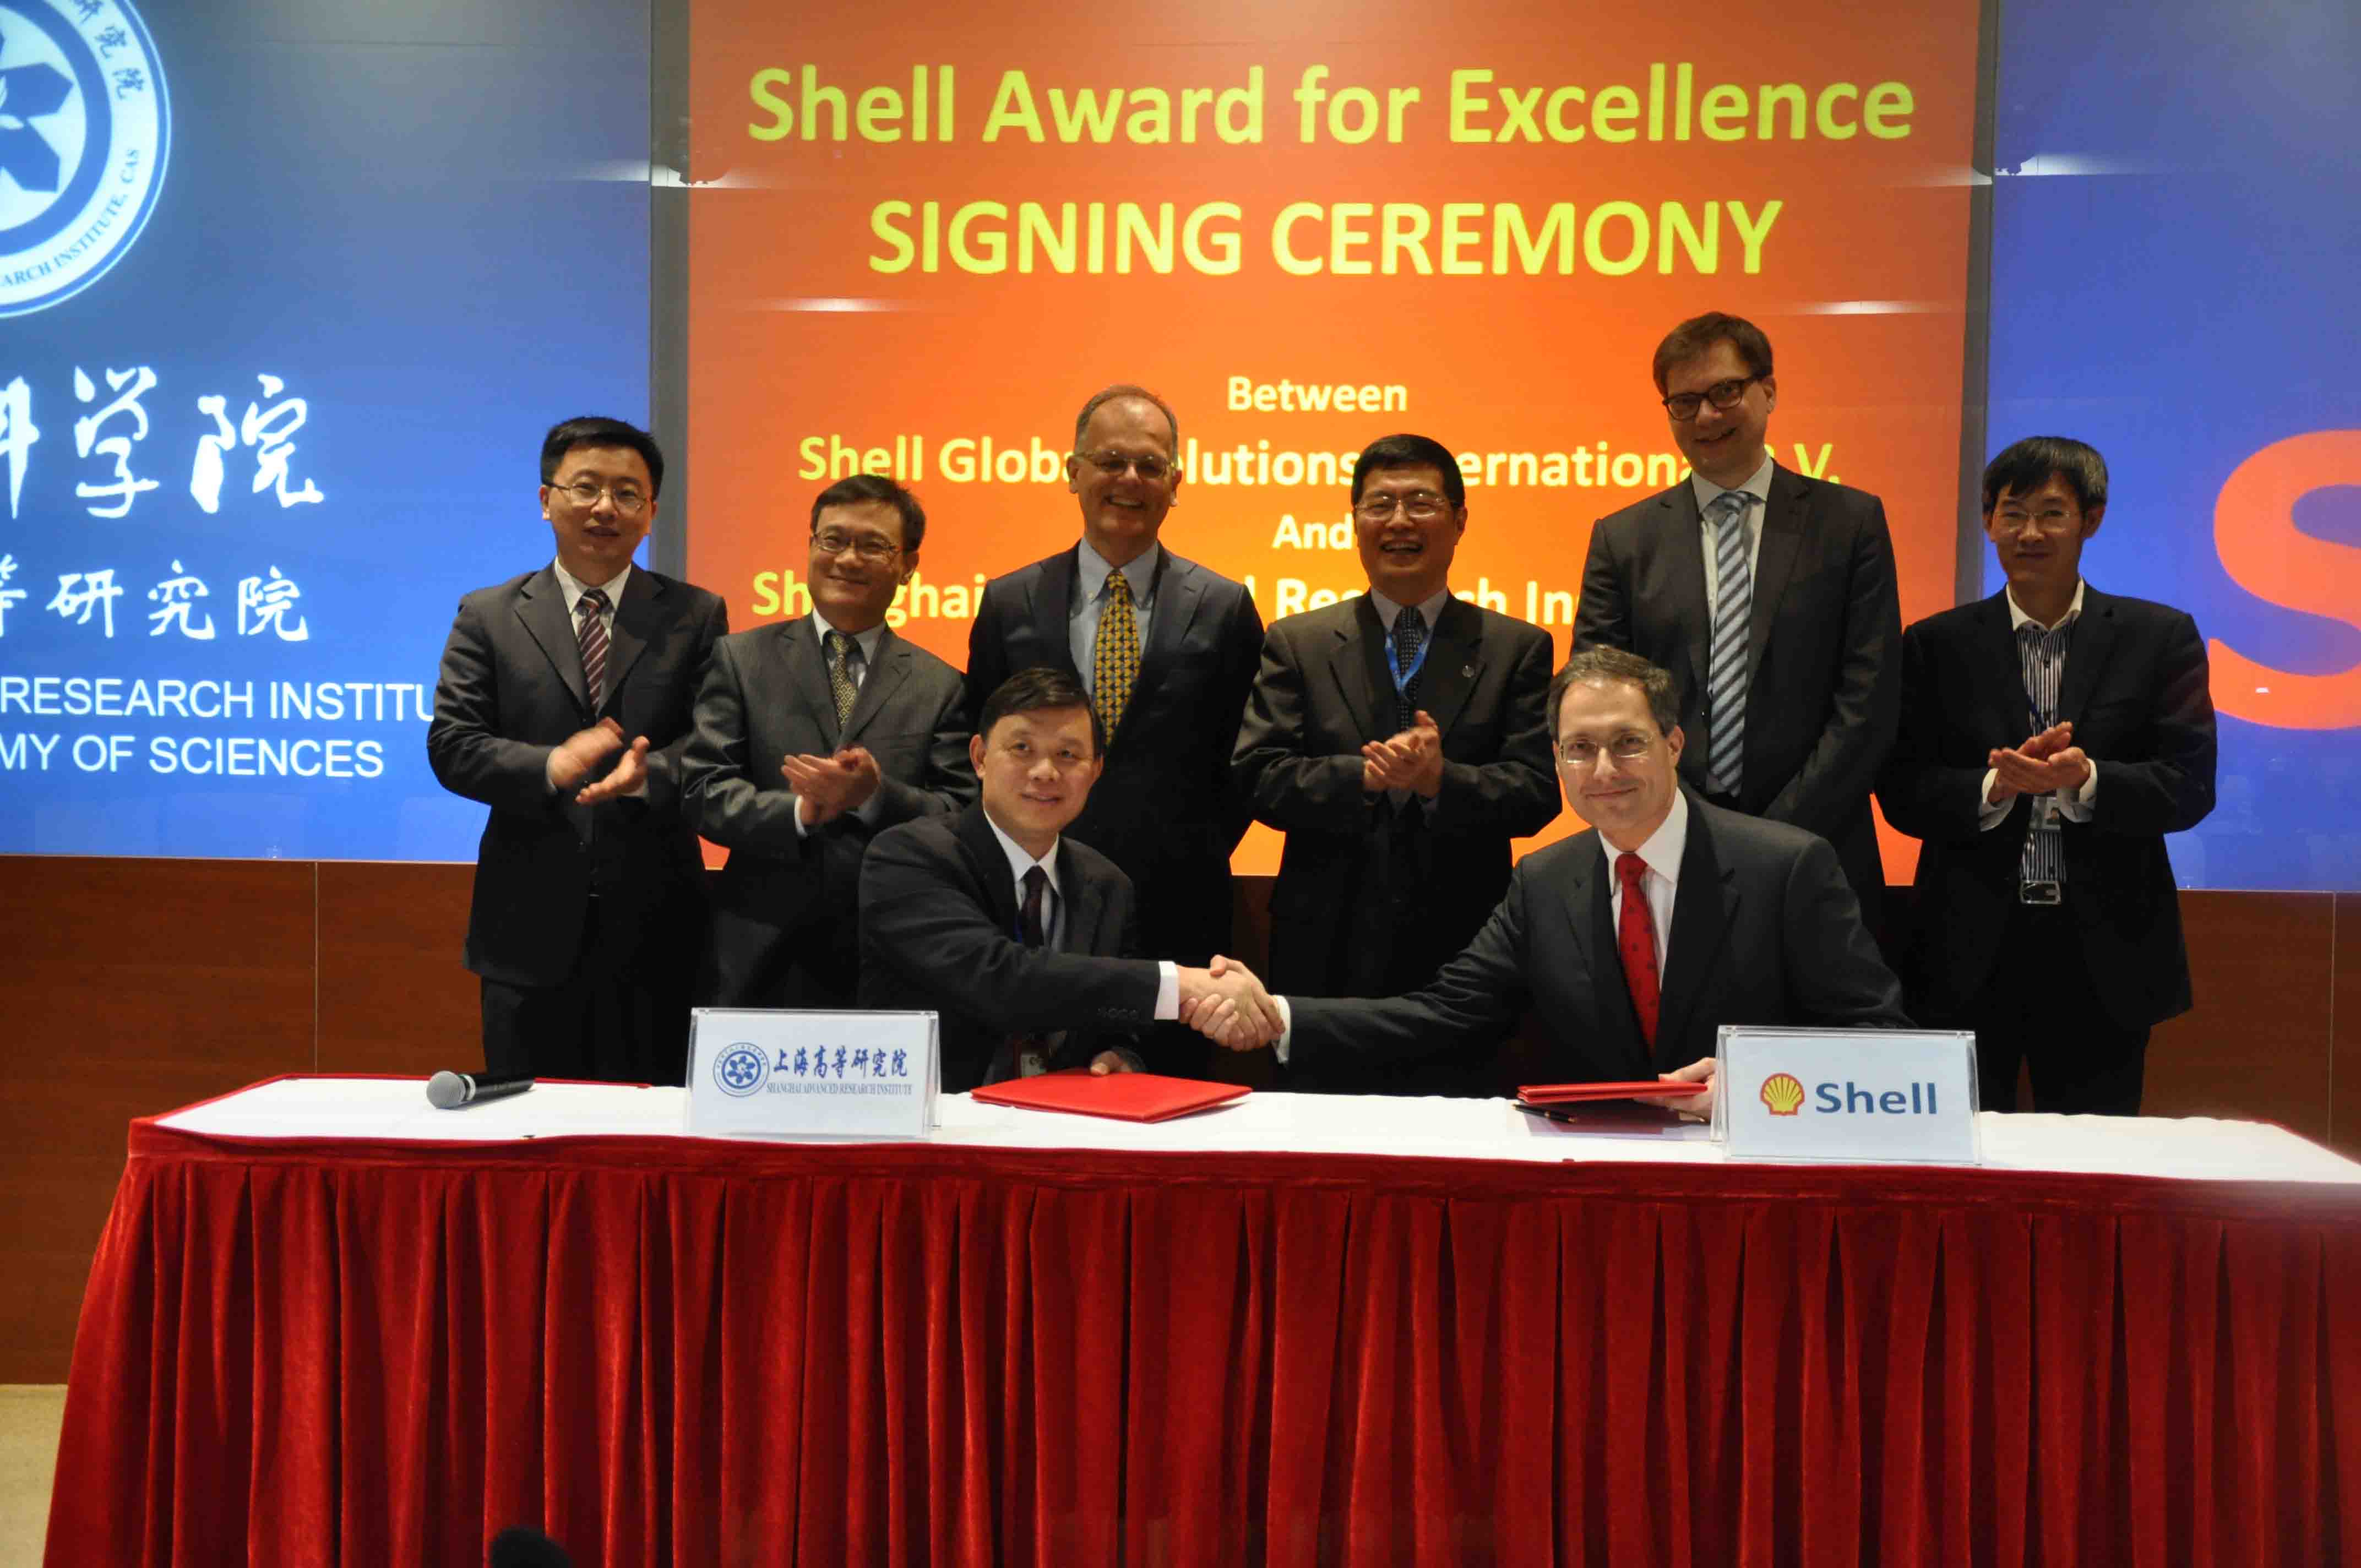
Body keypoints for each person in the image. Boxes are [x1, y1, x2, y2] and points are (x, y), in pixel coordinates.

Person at [1192, 648, 1908, 1099]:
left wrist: (1755, 1084)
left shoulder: (1787, 867)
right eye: (1579, 749)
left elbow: (1883, 1038)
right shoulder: (1543, 882)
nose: (1604, 770)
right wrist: (1278, 1013)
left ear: (1674, 744)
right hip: (1598, 1188)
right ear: (1558, 760)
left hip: (1756, 1184)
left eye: (1628, 743)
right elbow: (1442, 1015)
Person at [1876, 437, 2216, 1114]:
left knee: (2095, 1155)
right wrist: (1993, 788)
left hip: (2106, 950)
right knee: (1966, 1151)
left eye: (2052, 514)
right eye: (2012, 513)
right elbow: (1901, 789)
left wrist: (2087, 779)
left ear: (2091, 520)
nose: (2029, 533)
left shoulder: (2158, 637)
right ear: (1987, 521)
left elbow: (2189, 783)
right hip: (1968, 948)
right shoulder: (1936, 644)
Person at [1232, 432, 1558, 1091]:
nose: (1400, 521)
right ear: (1354, 521)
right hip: (1325, 947)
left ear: (1459, 520)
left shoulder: (1515, 647)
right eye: (1380, 504)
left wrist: (1441, 782)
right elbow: (1258, 776)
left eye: (1420, 503)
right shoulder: (1296, 642)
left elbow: (1535, 792)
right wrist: (1361, 775)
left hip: (1463, 951)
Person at [1574, 311, 1902, 925]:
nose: (1706, 416)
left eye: (1725, 391)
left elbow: (1868, 697)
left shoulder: (1849, 522)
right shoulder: (1624, 539)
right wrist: (1686, 826)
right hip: (1666, 853)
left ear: (1768, 391)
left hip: (1819, 847)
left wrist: (1772, 836)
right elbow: (1599, 697)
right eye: (1685, 402)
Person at [427, 416, 728, 1085]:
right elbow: (452, 744)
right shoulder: (489, 614)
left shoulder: (695, 615)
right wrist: (547, 766)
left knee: (652, 1126)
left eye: (627, 493)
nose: (605, 508)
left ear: (651, 512)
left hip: (658, 929)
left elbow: (716, 745)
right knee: (530, 1124)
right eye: (585, 487)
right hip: (525, 932)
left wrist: (649, 775)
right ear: (546, 500)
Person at [859, 668, 1279, 1093]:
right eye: (1022, 748)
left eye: (1068, 754)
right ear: (980, 757)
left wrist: (1121, 1056)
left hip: (1067, 1119)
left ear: (1096, 770)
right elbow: (1001, 980)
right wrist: (1181, 985)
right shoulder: (908, 857)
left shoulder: (1109, 884)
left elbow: (1115, 1021)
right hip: (932, 1117)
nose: (1045, 772)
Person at [965, 384, 1264, 976]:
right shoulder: (1010, 600)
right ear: (1073, 472)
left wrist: (1187, 846)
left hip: (1178, 901)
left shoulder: (1224, 606)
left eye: (1150, 466)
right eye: (1110, 461)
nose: (1130, 478)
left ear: (1175, 485)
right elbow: (976, 744)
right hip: (1029, 895)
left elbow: (1244, 762)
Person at [681, 474, 975, 1008]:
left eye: (873, 546)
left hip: (890, 954)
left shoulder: (942, 684)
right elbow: (703, 791)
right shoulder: (741, 659)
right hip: (759, 952)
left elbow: (961, 814)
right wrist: (801, 812)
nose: (848, 559)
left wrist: (876, 796)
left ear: (909, 565)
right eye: (833, 540)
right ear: (810, 546)